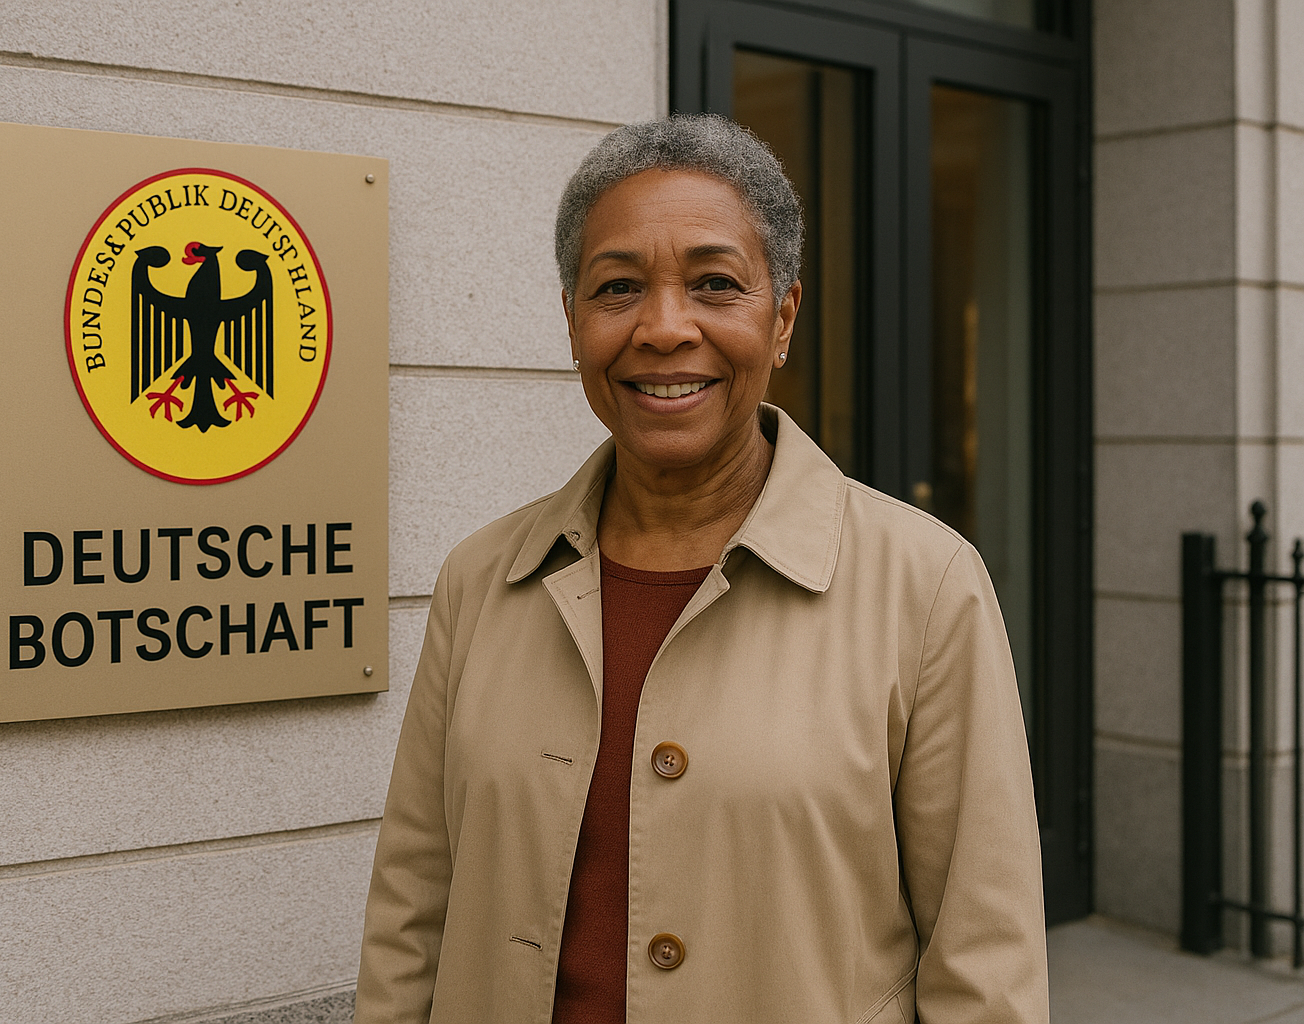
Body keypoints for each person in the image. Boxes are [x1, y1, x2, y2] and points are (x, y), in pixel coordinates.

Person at [354, 114, 1047, 1024]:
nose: (664, 328)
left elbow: (986, 965)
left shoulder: (925, 587)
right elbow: (414, 909)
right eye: (617, 289)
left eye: (716, 284)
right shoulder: (480, 580)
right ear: (572, 320)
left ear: (783, 315)